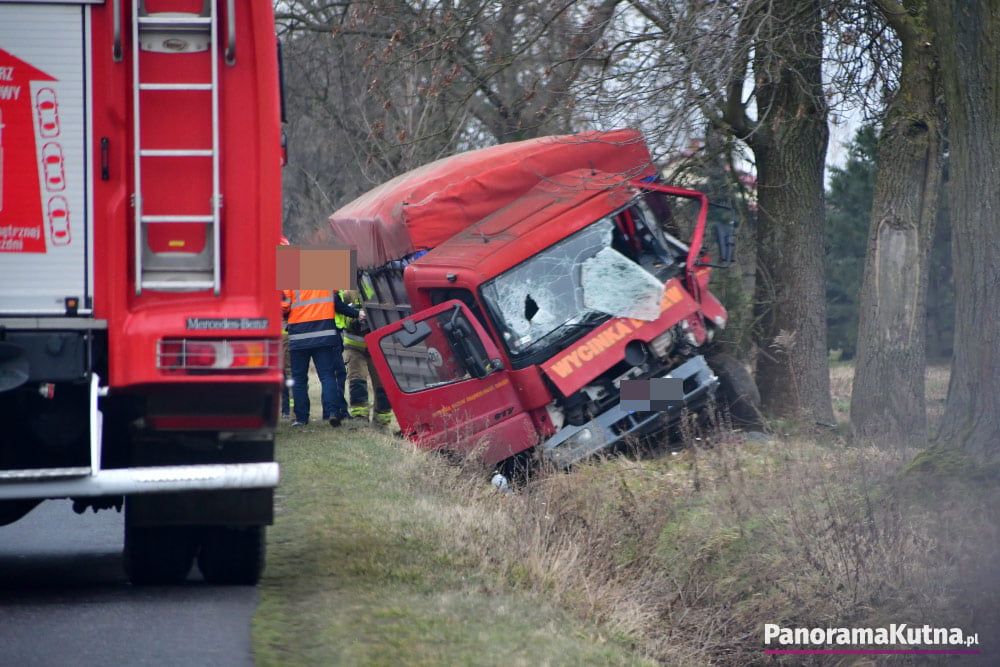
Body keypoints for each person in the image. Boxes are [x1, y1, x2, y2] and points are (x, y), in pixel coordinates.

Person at [282, 288, 361, 427]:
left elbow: (283, 307)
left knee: (299, 379)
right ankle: (332, 413)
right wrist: (356, 313)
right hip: (324, 335)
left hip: (299, 337)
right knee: (327, 377)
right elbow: (337, 303)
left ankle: (301, 419)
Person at [336, 288, 392, 426]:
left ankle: (382, 422)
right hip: (354, 347)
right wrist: (355, 316)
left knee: (383, 385)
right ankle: (360, 418)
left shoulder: (384, 291)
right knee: (357, 381)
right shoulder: (348, 294)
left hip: (378, 348)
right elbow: (337, 307)